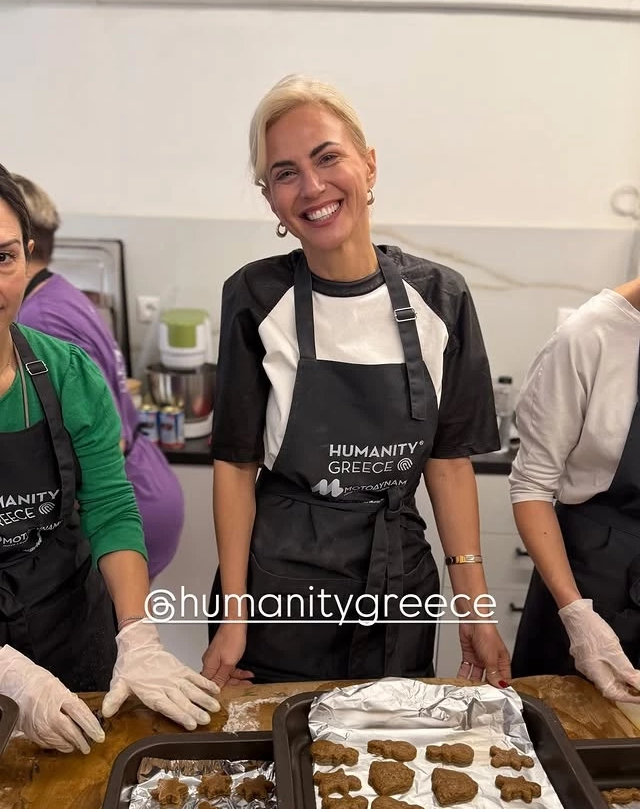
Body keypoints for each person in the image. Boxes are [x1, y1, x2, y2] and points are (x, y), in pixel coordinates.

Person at [202, 75, 510, 689]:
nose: (312, 187)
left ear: (368, 166)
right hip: (281, 586)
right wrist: (233, 617)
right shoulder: (255, 297)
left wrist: (472, 604)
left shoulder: (441, 297)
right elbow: (235, 466)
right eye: (285, 173)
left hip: (398, 580)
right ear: (271, 201)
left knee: (387, 756)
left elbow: (447, 462)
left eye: (327, 157)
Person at [0, 164, 220, 754]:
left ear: (30, 256)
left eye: (3, 259)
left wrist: (138, 635)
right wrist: (14, 678)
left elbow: (109, 504)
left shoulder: (66, 371)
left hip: (72, 628)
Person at [13, 173, 184, 581]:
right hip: (147, 480)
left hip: (123, 501)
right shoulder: (60, 294)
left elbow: (104, 437)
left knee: (105, 637)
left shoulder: (38, 318)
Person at [510, 278, 640, 703]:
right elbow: (532, 484)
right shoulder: (589, 336)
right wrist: (577, 616)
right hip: (592, 585)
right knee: (572, 747)